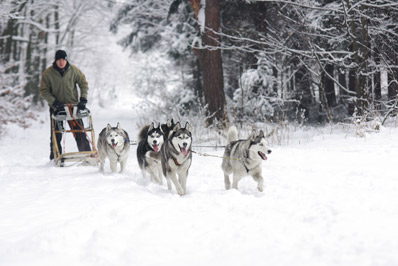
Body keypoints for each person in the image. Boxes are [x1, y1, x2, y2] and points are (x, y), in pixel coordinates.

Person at [40, 49, 91, 160]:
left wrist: (83, 99)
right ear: (55, 61)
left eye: (63, 59)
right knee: (56, 134)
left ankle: (87, 155)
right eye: (59, 60)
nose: (61, 62)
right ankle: (55, 157)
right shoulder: (48, 73)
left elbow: (83, 84)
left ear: (66, 60)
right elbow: (44, 90)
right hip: (56, 108)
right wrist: (54, 102)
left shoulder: (74, 70)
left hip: (73, 107)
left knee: (79, 132)